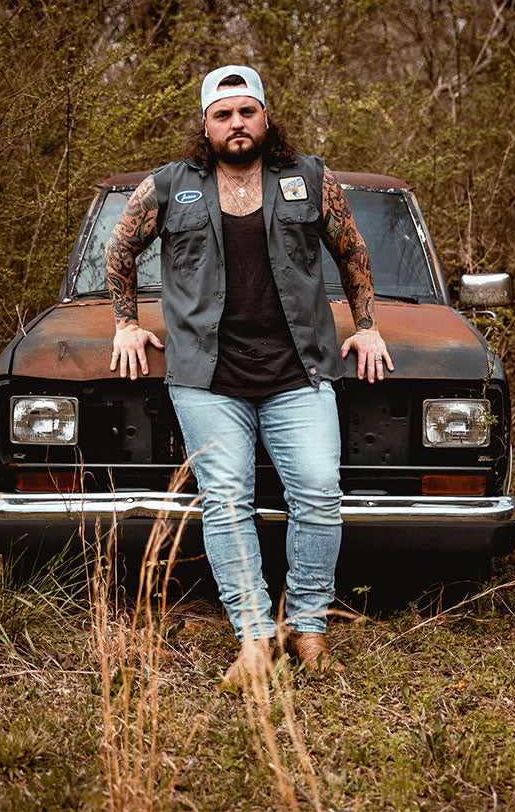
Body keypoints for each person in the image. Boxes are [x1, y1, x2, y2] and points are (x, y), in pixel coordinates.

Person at [105, 64, 393, 687]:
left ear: (265, 116)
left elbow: (353, 251)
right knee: (227, 500)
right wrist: (126, 324)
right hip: (206, 376)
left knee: (317, 491)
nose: (236, 123)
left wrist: (366, 326)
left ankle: (308, 624)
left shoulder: (311, 179)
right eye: (222, 114)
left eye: (247, 111)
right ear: (205, 124)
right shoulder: (167, 186)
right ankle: (255, 635)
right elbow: (119, 248)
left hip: (301, 370)